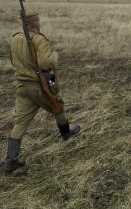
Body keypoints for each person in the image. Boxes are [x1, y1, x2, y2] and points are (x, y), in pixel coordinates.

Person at [5, 10, 80, 173]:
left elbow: (12, 61)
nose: (39, 24)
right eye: (37, 21)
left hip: (22, 86)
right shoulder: (39, 39)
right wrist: (54, 57)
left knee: (20, 123)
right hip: (40, 85)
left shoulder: (15, 38)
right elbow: (46, 65)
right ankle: (67, 133)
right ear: (34, 23)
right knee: (57, 104)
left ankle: (10, 160)